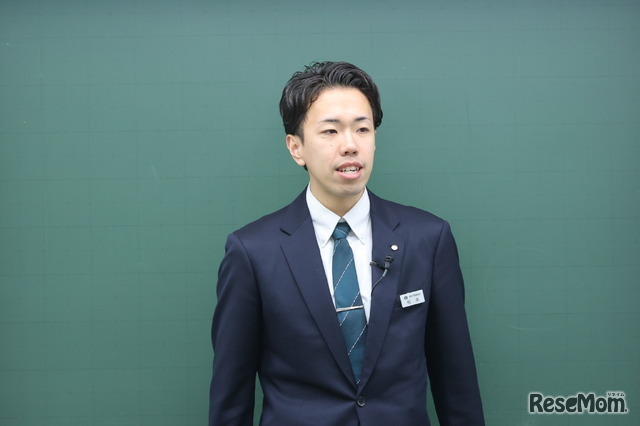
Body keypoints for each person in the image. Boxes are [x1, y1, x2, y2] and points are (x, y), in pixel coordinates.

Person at [208, 61, 484, 425]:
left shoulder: (427, 238)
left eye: (362, 129)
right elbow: (231, 397)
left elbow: (457, 384)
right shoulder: (253, 252)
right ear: (296, 147)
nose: (350, 145)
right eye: (330, 131)